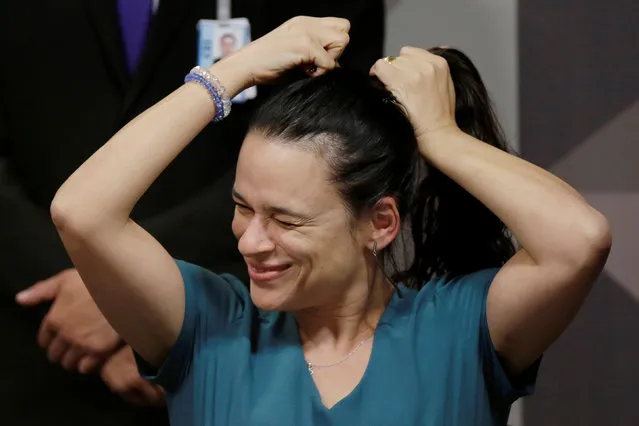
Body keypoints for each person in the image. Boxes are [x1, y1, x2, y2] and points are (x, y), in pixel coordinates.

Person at [50, 16, 611, 426]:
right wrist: (229, 74)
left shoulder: (460, 331)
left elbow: (578, 240)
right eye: (243, 208)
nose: (251, 240)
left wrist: (440, 136)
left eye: (286, 221)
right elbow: (82, 211)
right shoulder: (209, 327)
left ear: (381, 223)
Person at [0, 1, 383, 425]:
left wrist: (137, 292)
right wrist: (106, 283)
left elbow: (336, 151)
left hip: (232, 330)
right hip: (34, 334)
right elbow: (73, 211)